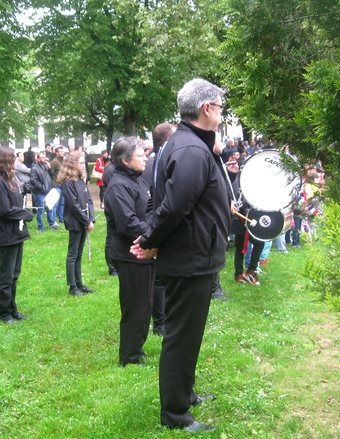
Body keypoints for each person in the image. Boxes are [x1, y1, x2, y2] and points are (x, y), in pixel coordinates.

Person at [131, 78, 230, 433]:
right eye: (219, 107)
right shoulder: (189, 149)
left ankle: (184, 394)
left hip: (195, 256)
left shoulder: (191, 144)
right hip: (190, 260)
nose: (221, 113)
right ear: (207, 109)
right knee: (180, 337)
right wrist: (148, 239)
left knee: (190, 335)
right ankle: (175, 413)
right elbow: (173, 207)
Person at [104, 137, 154, 366]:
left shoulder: (138, 180)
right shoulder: (118, 185)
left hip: (144, 252)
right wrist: (154, 235)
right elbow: (128, 223)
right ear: (125, 160)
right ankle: (129, 356)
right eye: (140, 154)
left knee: (145, 304)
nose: (145, 157)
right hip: (130, 254)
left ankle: (137, 347)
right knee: (135, 306)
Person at [0, 146, 34, 323]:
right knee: (5, 275)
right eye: (13, 158)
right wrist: (25, 214)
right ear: (5, 160)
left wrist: (25, 210)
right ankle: (2, 313)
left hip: (17, 232)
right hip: (7, 233)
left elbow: (17, 203)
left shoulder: (11, 180)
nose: (16, 160)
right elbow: (4, 209)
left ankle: (12, 309)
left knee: (14, 273)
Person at [140, 123, 177, 334]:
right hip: (155, 222)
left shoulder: (157, 161)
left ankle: (163, 320)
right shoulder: (156, 162)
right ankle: (160, 323)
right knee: (159, 279)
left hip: (154, 222)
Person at [58, 151, 95, 296]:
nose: (82, 165)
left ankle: (80, 283)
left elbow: (89, 200)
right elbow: (73, 205)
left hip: (84, 221)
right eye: (80, 162)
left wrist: (90, 218)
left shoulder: (81, 180)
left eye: (83, 162)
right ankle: (72, 286)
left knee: (79, 254)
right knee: (73, 254)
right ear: (72, 164)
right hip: (75, 221)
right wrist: (85, 221)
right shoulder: (68, 182)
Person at [29, 151, 57, 231]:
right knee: (40, 209)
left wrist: (50, 168)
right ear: (38, 159)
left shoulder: (45, 166)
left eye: (45, 157)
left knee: (49, 207)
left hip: (47, 190)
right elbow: (33, 180)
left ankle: (52, 223)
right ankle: (40, 226)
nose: (45, 159)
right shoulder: (34, 168)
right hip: (39, 192)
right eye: (42, 157)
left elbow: (51, 175)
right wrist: (42, 187)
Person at [49, 146, 66, 224]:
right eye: (61, 151)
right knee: (55, 204)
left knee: (62, 203)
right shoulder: (54, 162)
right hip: (56, 185)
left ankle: (61, 218)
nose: (63, 153)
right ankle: (53, 220)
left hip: (63, 185)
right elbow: (50, 173)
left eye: (63, 151)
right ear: (57, 153)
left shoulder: (63, 161)